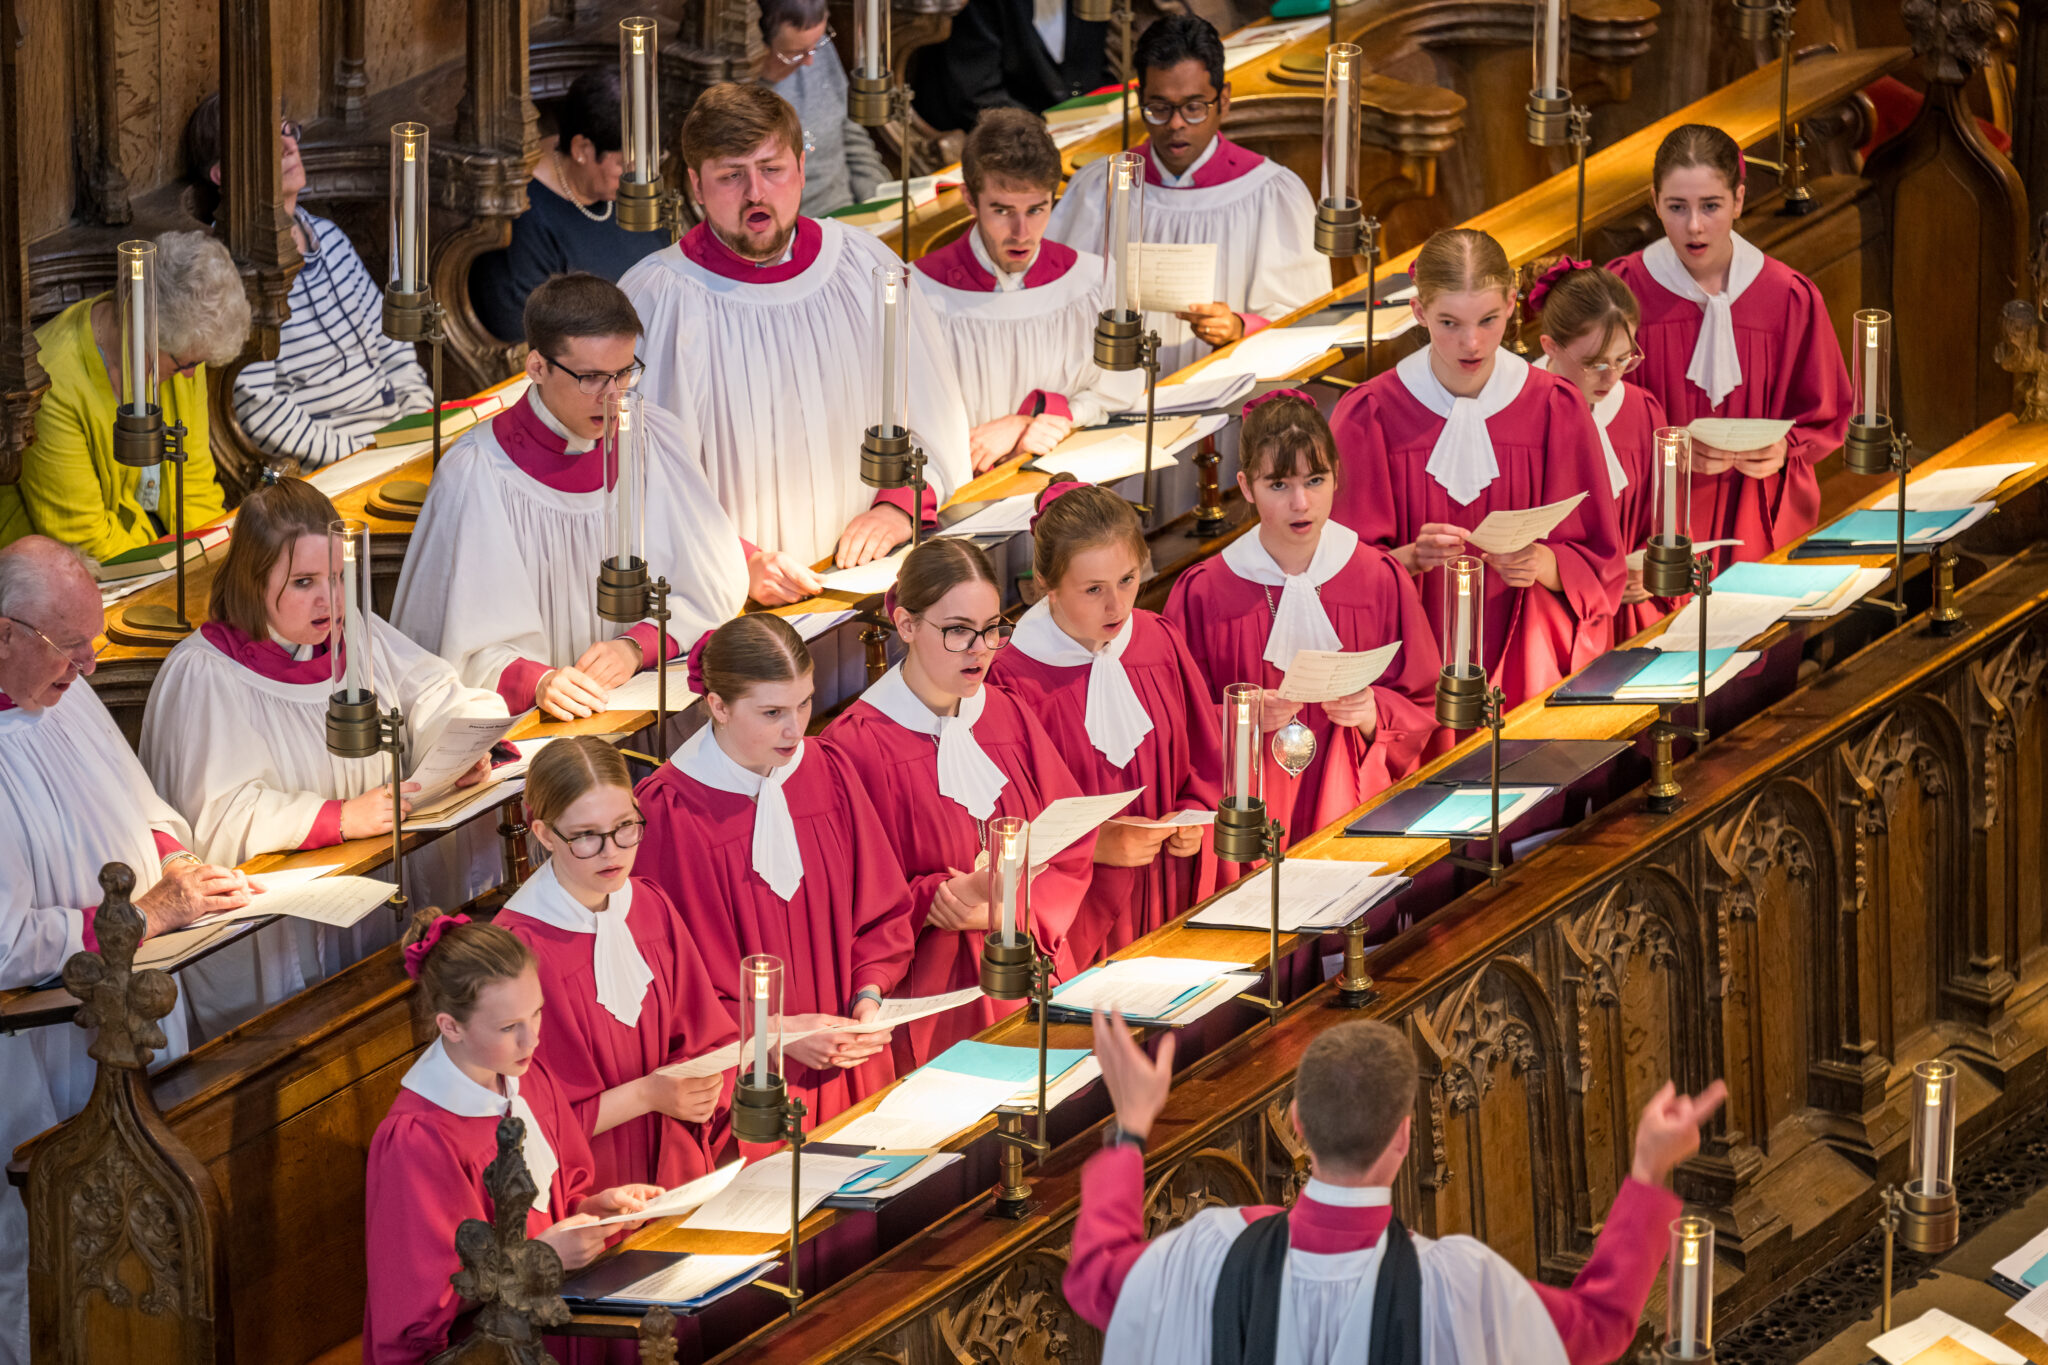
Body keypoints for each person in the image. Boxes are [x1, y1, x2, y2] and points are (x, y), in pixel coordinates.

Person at [1068, 1012, 1727, 1364]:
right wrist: (1646, 1171)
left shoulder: (1212, 1253)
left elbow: (1096, 1275)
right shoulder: (1460, 1287)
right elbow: (1601, 1327)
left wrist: (1130, 1127)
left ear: (1297, 1125)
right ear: (1405, 1138)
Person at [0, 536, 256, 1365]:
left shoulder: (62, 688)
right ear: (5, 632)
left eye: (93, 640)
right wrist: (143, 914)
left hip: (134, 1019)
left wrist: (173, 858)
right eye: (71, 644)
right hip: (39, 1056)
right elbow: (4, 945)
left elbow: (139, 801)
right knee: (44, 1261)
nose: (90, 662)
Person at [140, 477, 506, 1037]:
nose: (329, 600)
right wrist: (340, 817)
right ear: (253, 580)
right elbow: (216, 820)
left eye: (337, 578)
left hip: (375, 888)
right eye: (304, 582)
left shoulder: (353, 634)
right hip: (283, 930)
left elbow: (433, 692)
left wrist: (460, 748)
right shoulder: (206, 673)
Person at [621, 82, 973, 569]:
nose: (756, 193)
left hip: (872, 568)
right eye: (730, 176)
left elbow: (932, 413)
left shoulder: (862, 266)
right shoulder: (657, 300)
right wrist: (737, 563)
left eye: (772, 169)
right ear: (696, 185)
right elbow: (643, 478)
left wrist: (899, 505)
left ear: (802, 170)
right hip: (732, 597)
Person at [393, 274, 775, 722]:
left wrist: (636, 646)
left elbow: (707, 585)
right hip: (539, 730)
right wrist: (537, 681)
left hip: (645, 706)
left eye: (625, 373)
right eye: (592, 378)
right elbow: (449, 647)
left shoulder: (653, 438)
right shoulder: (478, 473)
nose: (613, 397)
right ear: (537, 367)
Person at [823, 539, 1094, 1065]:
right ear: (905, 625)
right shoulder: (854, 746)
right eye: (957, 631)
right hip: (932, 1000)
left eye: (993, 628)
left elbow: (1071, 842)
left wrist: (1014, 908)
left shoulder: (1006, 715)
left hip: (1029, 972)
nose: (981, 648)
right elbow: (854, 896)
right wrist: (935, 899)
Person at [635, 615, 916, 1123]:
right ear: (717, 705)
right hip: (749, 1083)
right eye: (772, 712)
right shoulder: (668, 812)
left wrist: (869, 996)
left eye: (804, 702)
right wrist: (774, 1032)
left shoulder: (827, 770)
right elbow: (667, 982)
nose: (796, 728)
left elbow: (880, 909)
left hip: (850, 1062)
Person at [1330, 228, 1626, 709]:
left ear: (1512, 302)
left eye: (1488, 319)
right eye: (1449, 322)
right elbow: (1335, 574)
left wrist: (1546, 564)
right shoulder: (1371, 414)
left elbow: (1600, 561)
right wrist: (1408, 558)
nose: (1471, 342)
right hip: (1413, 672)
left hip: (1531, 661)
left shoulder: (1555, 407)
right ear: (1419, 311)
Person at [364, 909, 659, 1364]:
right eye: (508, 1028)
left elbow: (555, 1200)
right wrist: (540, 1256)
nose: (532, 1040)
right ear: (450, 1026)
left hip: (556, 1320)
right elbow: (424, 1309)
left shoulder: (525, 1076)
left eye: (536, 1013)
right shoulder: (419, 1137)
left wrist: (594, 1210)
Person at [1166, 394, 1439, 845]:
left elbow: (1422, 702)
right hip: (1249, 814)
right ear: (1246, 486)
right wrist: (1238, 717)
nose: (1300, 503)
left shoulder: (1377, 578)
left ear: (1336, 475)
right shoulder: (1205, 592)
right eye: (1278, 485)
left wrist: (1373, 712)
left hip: (1354, 805)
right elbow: (1179, 722)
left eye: (1315, 480)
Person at [987, 484, 1219, 966]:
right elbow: (1005, 820)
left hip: (1169, 889)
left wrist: (1193, 816)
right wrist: (1095, 845)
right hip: (1079, 915)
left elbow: (1204, 756)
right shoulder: (1011, 679)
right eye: (1093, 589)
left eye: (1128, 579)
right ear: (1045, 584)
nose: (1117, 606)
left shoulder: (1157, 641)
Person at [496, 737, 737, 1189]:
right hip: (590, 1186)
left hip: (673, 1166)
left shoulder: (649, 906)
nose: (612, 852)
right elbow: (529, 1117)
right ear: (545, 833)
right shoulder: (518, 953)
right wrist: (648, 1094)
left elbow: (707, 1036)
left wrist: (704, 1086)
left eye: (626, 826)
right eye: (587, 836)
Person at [1607, 125, 1851, 568]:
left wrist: (1785, 450)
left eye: (1711, 206)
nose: (1694, 226)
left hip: (1756, 512)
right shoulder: (1621, 292)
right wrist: (1668, 449)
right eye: (1676, 207)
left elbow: (1824, 411)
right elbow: (1588, 417)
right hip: (1655, 525)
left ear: (1739, 199)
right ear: (1654, 200)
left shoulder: (1788, 297)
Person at [1046, 16, 1326, 377]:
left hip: (1226, 398)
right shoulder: (1099, 187)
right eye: (1159, 107)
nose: (1176, 124)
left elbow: (1306, 322)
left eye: (1193, 107)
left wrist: (1240, 327)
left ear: (1223, 101)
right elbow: (1056, 305)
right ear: (1139, 100)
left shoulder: (1271, 193)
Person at [182, 95, 433, 470]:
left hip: (398, 440)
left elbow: (392, 342)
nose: (288, 146)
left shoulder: (327, 235)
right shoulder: (232, 273)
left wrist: (420, 420)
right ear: (221, 174)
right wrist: (363, 455)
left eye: (287, 131)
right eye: (268, 142)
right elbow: (259, 410)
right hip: (333, 466)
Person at [913, 109, 1140, 473]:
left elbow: (1120, 391)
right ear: (969, 199)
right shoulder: (920, 293)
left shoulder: (1092, 280)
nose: (1021, 233)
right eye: (1002, 210)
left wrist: (1033, 422)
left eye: (1036, 209)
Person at [12, 231, 248, 562]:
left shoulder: (180, 352)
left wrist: (211, 565)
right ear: (147, 334)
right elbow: (85, 540)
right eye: (186, 363)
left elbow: (193, 487)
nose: (192, 374)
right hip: (62, 572)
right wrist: (169, 573)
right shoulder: (52, 382)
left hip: (151, 549)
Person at [470, 66, 668, 344]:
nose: (641, 178)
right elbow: (531, 339)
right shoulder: (527, 218)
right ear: (581, 150)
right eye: (627, 166)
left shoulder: (625, 186)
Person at [1530, 258, 1672, 640]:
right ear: (1550, 347)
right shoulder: (1523, 420)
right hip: (1552, 619)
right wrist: (1595, 581)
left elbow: (1661, 517)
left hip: (1631, 615)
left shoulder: (1640, 410)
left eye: (1623, 359)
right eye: (1595, 363)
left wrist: (1651, 568)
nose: (1612, 377)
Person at [754, 0, 890, 216]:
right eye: (794, 54)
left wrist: (879, 201)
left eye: (818, 43)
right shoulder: (735, 98)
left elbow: (850, 132)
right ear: (757, 46)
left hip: (850, 213)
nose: (810, 62)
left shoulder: (813, 49)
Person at [912, 0, 1109, 132]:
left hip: (1080, 130)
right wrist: (1045, 129)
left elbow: (1089, 69)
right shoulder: (978, 5)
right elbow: (977, 96)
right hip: (997, 138)